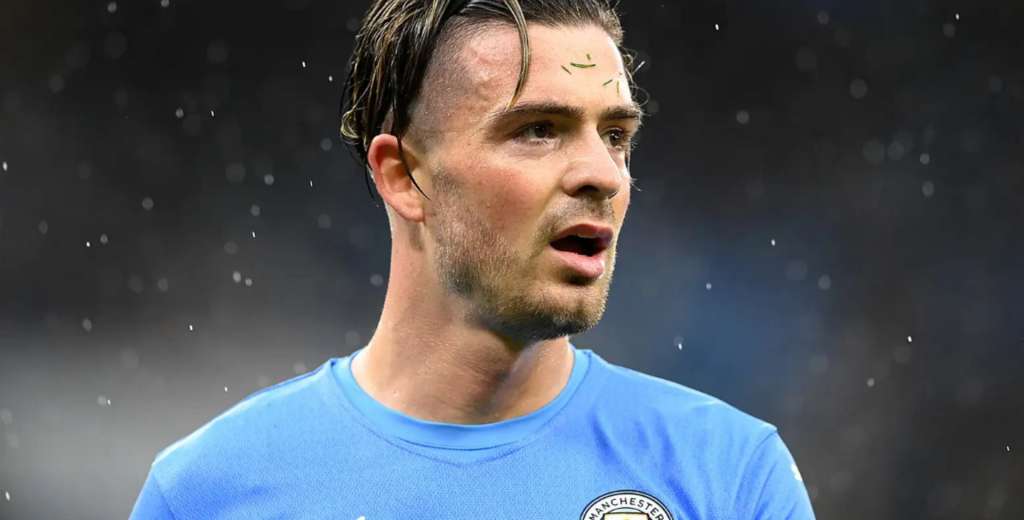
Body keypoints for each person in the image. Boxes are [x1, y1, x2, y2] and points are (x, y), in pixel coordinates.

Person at [130, 0, 816, 518]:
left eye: (615, 135)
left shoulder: (729, 473)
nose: (603, 175)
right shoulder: (210, 491)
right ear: (402, 176)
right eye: (539, 130)